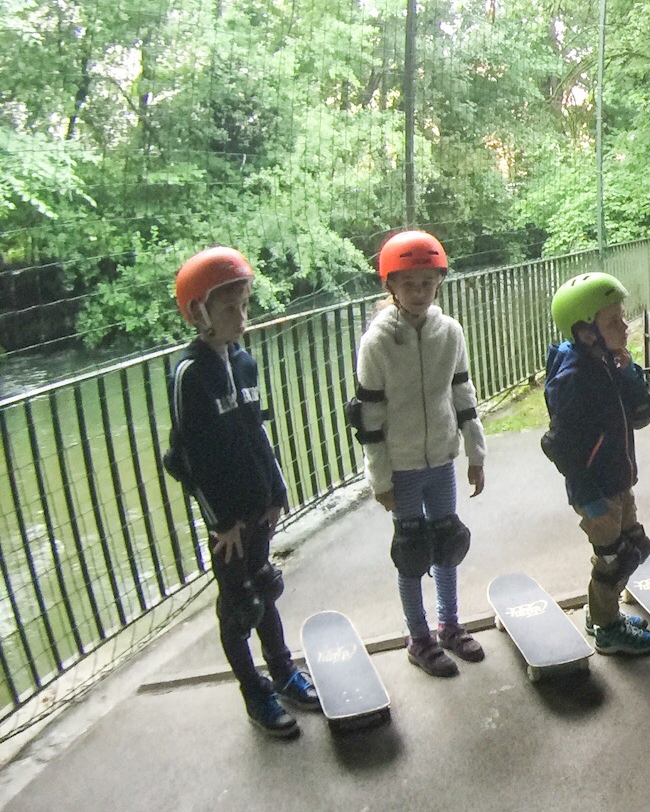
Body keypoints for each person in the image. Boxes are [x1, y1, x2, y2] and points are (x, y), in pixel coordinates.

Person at [164, 248, 320, 737]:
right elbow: (188, 458)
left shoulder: (246, 362)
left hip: (258, 509)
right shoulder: (189, 375)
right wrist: (220, 521)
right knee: (239, 606)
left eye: (245, 304)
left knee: (264, 588)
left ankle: (283, 672)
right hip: (226, 523)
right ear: (198, 313)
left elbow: (257, 434)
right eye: (229, 307)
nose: (241, 316)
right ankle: (255, 692)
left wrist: (276, 491)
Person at [350, 230, 487, 677]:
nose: (419, 292)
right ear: (390, 286)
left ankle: (450, 624)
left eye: (427, 283)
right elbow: (369, 418)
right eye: (408, 284)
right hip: (404, 465)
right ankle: (419, 637)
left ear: (439, 283)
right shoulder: (377, 343)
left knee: (447, 543)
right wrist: (380, 479)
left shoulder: (449, 332)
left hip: (441, 458)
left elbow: (462, 391)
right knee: (411, 552)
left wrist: (475, 451)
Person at [541, 273, 650, 655]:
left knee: (634, 547)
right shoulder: (575, 378)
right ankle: (608, 628)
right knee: (614, 559)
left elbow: (640, 414)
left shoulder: (607, 364)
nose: (624, 326)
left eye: (621, 317)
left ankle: (600, 613)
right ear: (586, 331)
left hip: (618, 480)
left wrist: (628, 372)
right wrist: (589, 497)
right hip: (597, 490)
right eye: (613, 321)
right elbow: (559, 446)